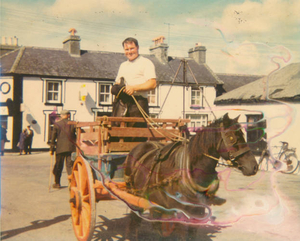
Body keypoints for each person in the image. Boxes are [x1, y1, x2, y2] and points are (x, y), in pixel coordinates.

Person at [112, 37, 157, 128]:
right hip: (122, 105)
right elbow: (117, 83)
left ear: (137, 48)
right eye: (127, 49)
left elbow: (153, 84)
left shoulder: (146, 63)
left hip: (138, 104)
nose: (129, 52)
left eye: (132, 48)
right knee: (116, 135)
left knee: (136, 137)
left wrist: (134, 88)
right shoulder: (123, 65)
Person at [50, 110, 76, 189]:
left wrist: (51, 148)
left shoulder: (57, 124)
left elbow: (53, 138)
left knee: (58, 166)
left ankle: (57, 183)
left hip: (60, 148)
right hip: (71, 148)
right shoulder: (73, 124)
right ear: (68, 115)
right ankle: (71, 183)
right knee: (70, 166)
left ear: (61, 115)